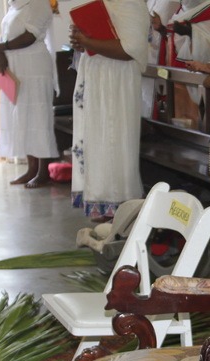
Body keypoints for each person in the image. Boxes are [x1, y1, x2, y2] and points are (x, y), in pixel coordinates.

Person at [68, 0, 149, 221]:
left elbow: (130, 49)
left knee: (113, 141)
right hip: (96, 75)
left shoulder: (132, 4)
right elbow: (96, 39)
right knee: (96, 141)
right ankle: (99, 200)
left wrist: (88, 41)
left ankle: (119, 203)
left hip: (117, 81)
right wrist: (80, 41)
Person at [0, 0, 59, 189]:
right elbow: (7, 34)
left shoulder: (39, 4)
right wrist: (1, 54)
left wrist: (2, 47)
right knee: (23, 119)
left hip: (34, 68)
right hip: (17, 68)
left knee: (38, 118)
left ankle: (43, 172)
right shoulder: (15, 5)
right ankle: (31, 169)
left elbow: (29, 36)